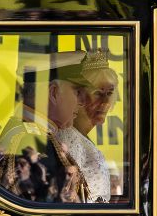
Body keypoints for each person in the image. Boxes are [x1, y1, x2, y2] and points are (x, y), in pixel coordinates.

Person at [0, 50, 92, 203]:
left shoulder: (29, 134)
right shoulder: (34, 142)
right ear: (54, 93)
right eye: (78, 92)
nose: (83, 102)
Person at [56, 48, 118, 203]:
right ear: (79, 96)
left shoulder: (79, 136)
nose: (105, 102)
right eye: (97, 93)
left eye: (109, 93)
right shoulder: (68, 137)